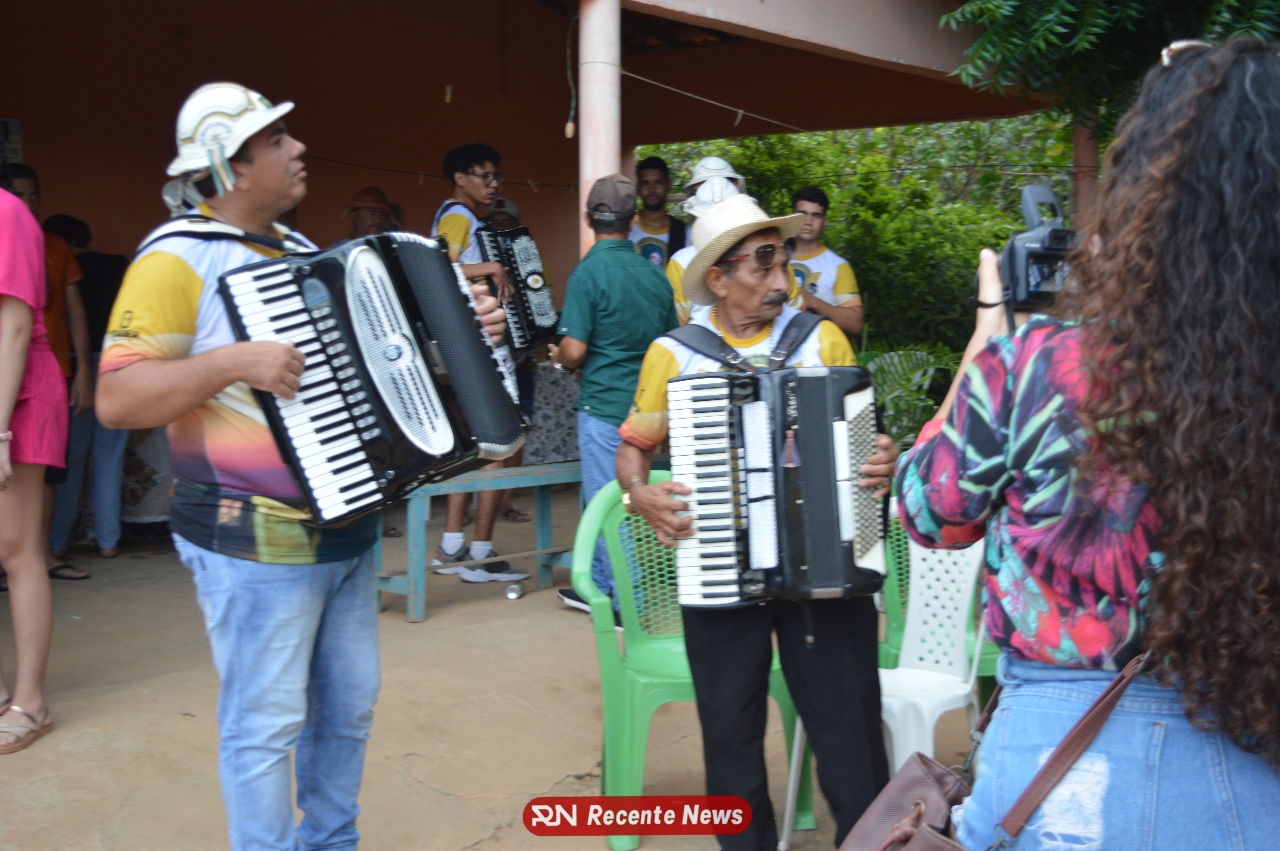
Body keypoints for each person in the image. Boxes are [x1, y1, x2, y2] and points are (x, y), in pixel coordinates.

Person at [94, 82, 506, 850]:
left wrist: (465, 331)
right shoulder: (175, 258)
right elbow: (116, 398)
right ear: (231, 165)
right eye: (277, 139)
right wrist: (230, 362)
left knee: (348, 710)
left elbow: (386, 372)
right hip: (253, 536)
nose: (299, 147)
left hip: (347, 524)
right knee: (266, 723)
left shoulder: (305, 256)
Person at [896, 39, 1280, 849]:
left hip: (1053, 773)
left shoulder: (1033, 366)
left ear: (1142, 193)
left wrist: (985, 338)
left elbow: (932, 513)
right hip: (1255, 757)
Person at [616, 193, 895, 849]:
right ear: (718, 277)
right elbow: (634, 447)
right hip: (720, 569)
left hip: (826, 569)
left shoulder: (822, 339)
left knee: (849, 726)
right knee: (729, 728)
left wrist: (882, 456)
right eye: (763, 262)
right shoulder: (675, 354)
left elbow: (869, 441)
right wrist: (638, 493)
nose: (781, 277)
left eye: (783, 260)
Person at [550, 174, 679, 613]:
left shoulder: (587, 273)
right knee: (604, 497)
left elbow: (575, 350)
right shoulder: (655, 276)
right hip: (645, 412)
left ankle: (629, 604)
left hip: (603, 406)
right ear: (634, 219)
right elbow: (670, 344)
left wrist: (560, 356)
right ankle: (600, 586)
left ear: (588, 218)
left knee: (612, 505)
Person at [429, 144, 526, 581]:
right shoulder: (458, 216)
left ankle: (452, 547)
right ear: (459, 178)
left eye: (496, 176)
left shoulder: (459, 217)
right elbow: (439, 268)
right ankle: (480, 555)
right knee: (497, 446)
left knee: (475, 447)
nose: (493, 184)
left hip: (467, 345)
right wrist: (491, 267)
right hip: (483, 344)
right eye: (483, 176)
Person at [0, 175, 68, 754]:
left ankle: (31, 703)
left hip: (16, 396)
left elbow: (15, 327)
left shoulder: (8, 214)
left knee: (16, 550)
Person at [0, 164, 92, 583]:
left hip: (40, 374)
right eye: (21, 193)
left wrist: (84, 369)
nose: (29, 203)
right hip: (14, 376)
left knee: (46, 478)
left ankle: (48, 551)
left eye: (34, 194)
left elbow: (73, 310)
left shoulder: (50, 243)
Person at [41, 215, 130, 560]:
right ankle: (108, 541)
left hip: (75, 365)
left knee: (70, 458)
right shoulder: (118, 266)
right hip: (118, 362)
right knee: (110, 457)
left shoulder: (58, 267)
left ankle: (57, 542)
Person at [666, 160, 802, 326]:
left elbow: (798, 320)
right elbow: (677, 328)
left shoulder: (774, 255)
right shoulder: (681, 262)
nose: (780, 284)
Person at [485, 196, 535, 524]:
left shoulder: (527, 258)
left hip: (522, 357)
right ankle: (476, 504)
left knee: (520, 428)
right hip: (493, 356)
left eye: (506, 222)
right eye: (495, 222)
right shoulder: (480, 259)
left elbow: (540, 301)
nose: (500, 227)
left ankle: (506, 501)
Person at [789, 186, 863, 335]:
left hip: (821, 347)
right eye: (802, 214)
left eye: (816, 216)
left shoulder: (837, 266)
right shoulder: (774, 257)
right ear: (791, 217)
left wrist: (812, 301)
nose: (808, 221)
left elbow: (856, 323)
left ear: (824, 222)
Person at [629, 156, 685, 267]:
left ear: (668, 185)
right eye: (645, 183)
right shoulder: (627, 228)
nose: (652, 189)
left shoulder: (684, 232)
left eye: (658, 182)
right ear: (638, 188)